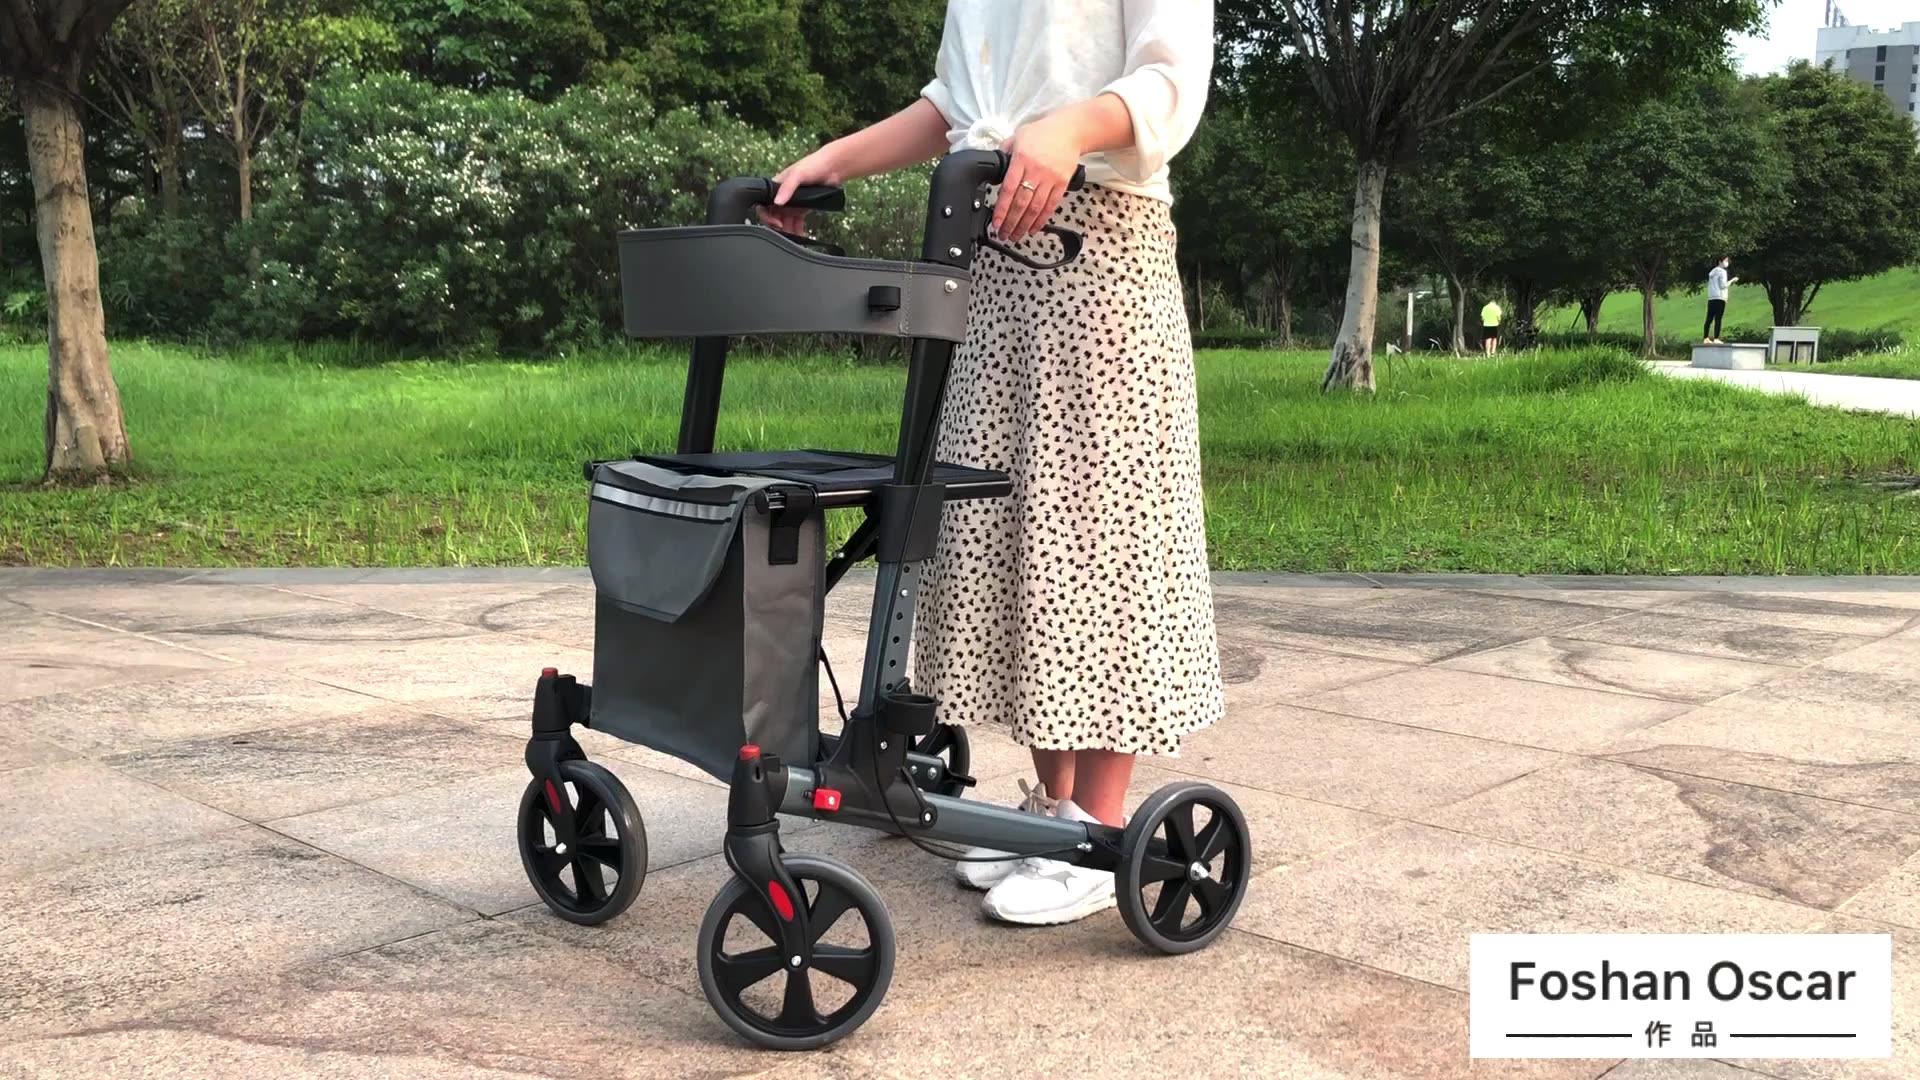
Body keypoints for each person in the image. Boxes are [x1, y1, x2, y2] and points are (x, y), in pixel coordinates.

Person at [764, 0, 1221, 927]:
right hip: (991, 257)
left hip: (1102, 247)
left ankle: (1100, 826)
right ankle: (1050, 811)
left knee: (1096, 536)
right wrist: (831, 160)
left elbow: (1172, 79)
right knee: (1003, 532)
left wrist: (1071, 126)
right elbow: (954, 103)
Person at [1704, 257, 1738, 344]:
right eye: (1725, 261)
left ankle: (1706, 337)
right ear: (1720, 262)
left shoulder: (1712, 272)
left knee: (1709, 318)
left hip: (1711, 297)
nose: (1727, 263)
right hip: (1719, 298)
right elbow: (1723, 286)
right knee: (1718, 318)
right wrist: (1732, 280)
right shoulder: (1722, 272)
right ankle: (1716, 338)